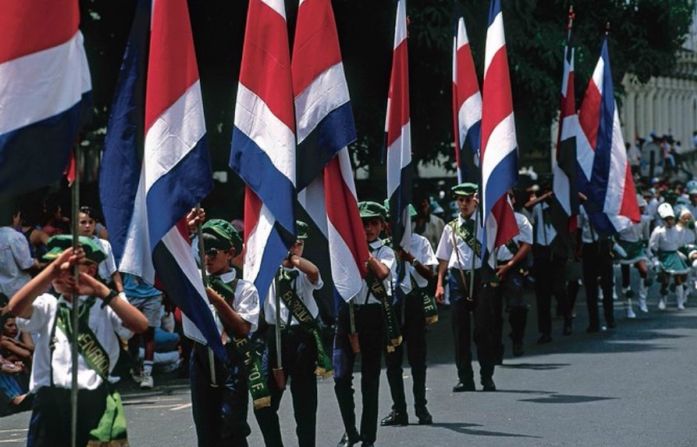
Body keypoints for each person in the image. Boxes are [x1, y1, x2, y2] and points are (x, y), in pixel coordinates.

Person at [4, 235, 147, 446]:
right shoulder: (48, 305)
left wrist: (99, 289)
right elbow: (16, 307)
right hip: (51, 400)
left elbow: (140, 325)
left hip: (94, 399)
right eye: (57, 269)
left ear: (90, 270)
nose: (61, 275)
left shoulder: (106, 304)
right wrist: (51, 270)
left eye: (70, 269)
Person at [254, 220, 326, 447]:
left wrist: (292, 258)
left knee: (304, 404)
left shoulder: (303, 271)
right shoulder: (267, 270)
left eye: (299, 244)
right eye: (290, 243)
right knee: (264, 403)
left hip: (302, 338)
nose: (294, 248)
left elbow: (314, 273)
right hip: (275, 337)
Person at [190, 217, 260, 447]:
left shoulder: (243, 288)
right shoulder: (196, 281)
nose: (206, 258)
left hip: (231, 359)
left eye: (212, 252)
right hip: (201, 357)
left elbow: (242, 328)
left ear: (229, 253)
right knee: (206, 429)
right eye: (203, 252)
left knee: (231, 425)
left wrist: (214, 297)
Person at [335, 201, 395, 447]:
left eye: (373, 223)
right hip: (347, 313)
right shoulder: (344, 249)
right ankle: (350, 430)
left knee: (369, 379)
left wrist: (363, 251)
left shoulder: (385, 251)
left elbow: (382, 273)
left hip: (372, 315)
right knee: (341, 377)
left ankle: (368, 436)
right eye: (363, 223)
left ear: (381, 226)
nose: (368, 228)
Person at [434, 183, 496, 392]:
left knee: (483, 330)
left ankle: (487, 376)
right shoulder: (450, 227)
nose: (463, 204)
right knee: (460, 331)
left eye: (468, 200)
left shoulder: (485, 223)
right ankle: (465, 378)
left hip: (479, 277)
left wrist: (484, 206)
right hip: (457, 278)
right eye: (460, 200)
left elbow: (499, 223)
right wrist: (440, 283)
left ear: (475, 200)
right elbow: (443, 257)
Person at [381, 205, 438, 427]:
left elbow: (429, 273)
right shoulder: (383, 246)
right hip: (391, 305)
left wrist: (409, 258)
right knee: (393, 359)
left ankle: (421, 407)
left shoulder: (420, 242)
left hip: (414, 303)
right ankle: (399, 409)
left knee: (417, 358)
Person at [526, 181, 573, 342]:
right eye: (546, 192)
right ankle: (545, 332)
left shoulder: (560, 209)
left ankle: (567, 317)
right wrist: (543, 197)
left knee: (559, 289)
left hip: (556, 253)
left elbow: (581, 200)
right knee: (542, 295)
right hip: (542, 253)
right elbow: (526, 205)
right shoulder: (538, 208)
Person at [492, 191, 532, 358]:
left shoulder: (520, 219)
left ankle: (517, 338)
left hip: (511, 268)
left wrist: (510, 264)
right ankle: (496, 346)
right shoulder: (488, 219)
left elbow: (526, 245)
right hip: (492, 269)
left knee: (517, 307)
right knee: (492, 312)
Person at [579, 205, 616, 332]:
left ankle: (609, 318)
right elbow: (578, 227)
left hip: (604, 245)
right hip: (589, 246)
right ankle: (593, 321)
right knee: (590, 286)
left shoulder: (606, 205)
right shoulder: (582, 208)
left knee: (607, 284)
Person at [123, 273, 163, 389]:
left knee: (149, 335)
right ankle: (136, 367)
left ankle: (147, 374)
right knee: (132, 335)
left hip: (153, 294)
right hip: (130, 294)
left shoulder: (152, 253)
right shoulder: (123, 253)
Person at [616, 195, 652, 316]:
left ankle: (642, 300)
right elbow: (617, 234)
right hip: (625, 248)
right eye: (641, 207)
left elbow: (646, 237)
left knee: (644, 271)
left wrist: (648, 250)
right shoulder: (623, 220)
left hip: (637, 247)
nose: (643, 209)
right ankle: (628, 306)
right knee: (626, 279)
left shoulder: (644, 220)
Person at [650, 204, 691, 310]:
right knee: (665, 280)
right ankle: (663, 299)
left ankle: (680, 302)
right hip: (663, 256)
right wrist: (655, 259)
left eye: (671, 219)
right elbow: (653, 246)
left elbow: (679, 243)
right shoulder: (658, 231)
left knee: (678, 278)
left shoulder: (678, 230)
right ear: (663, 220)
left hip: (674, 255)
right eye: (667, 219)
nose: (670, 221)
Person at [77, 206, 123, 293]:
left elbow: (113, 272)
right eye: (83, 222)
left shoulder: (104, 244)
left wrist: (121, 293)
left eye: (91, 222)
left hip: (104, 287)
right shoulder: (72, 245)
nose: (87, 225)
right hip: (81, 288)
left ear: (95, 224)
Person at [0, 212, 37, 300]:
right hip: (18, 291)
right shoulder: (16, 237)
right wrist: (37, 263)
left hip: (2, 292)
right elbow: (26, 265)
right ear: (14, 217)